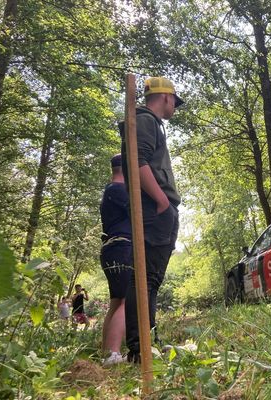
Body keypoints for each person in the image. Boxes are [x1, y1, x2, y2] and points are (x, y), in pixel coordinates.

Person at [119, 77, 182, 363]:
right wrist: (161, 200)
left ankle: (146, 341)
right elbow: (138, 160)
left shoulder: (148, 122)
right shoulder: (145, 120)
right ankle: (140, 347)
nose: (175, 108)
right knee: (145, 279)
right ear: (166, 96)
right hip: (154, 210)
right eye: (175, 101)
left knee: (150, 280)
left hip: (158, 210)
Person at [99, 153, 133, 366]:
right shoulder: (118, 190)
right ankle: (112, 353)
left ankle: (106, 352)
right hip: (122, 247)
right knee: (127, 300)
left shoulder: (110, 191)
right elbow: (139, 212)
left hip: (113, 248)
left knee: (117, 301)